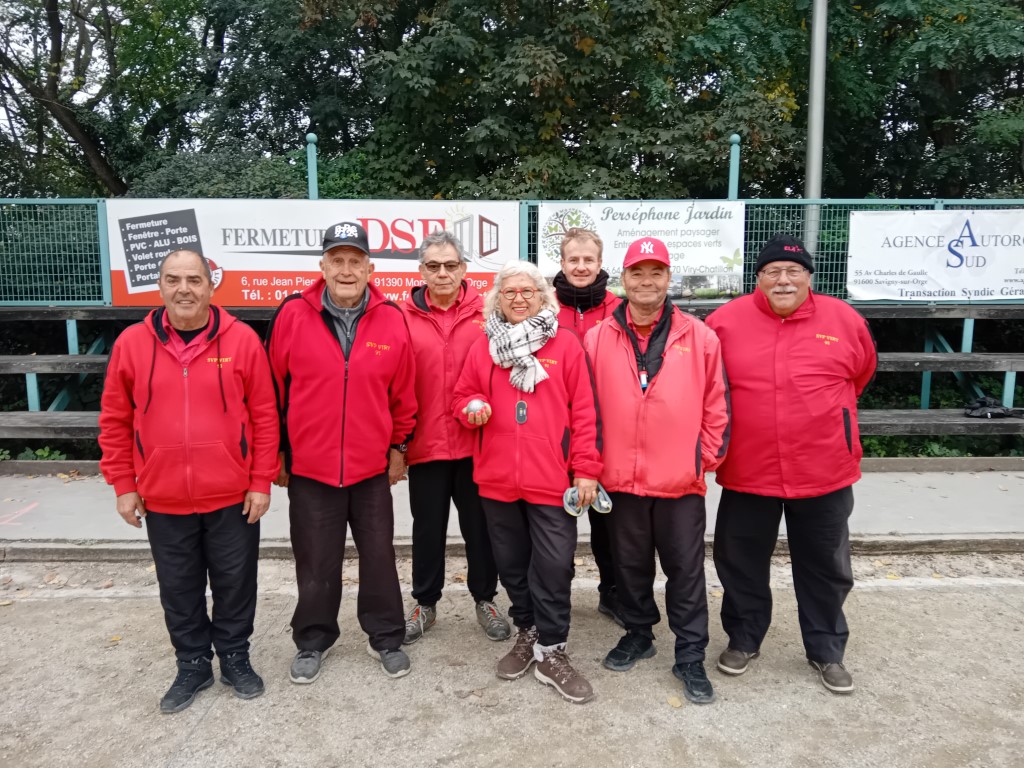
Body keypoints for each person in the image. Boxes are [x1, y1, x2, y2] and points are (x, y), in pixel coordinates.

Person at [99, 249, 279, 714]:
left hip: (233, 495)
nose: (184, 289)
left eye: (194, 280)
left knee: (235, 583)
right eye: (174, 279)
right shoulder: (131, 344)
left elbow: (264, 415)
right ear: (159, 286)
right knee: (178, 588)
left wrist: (261, 480)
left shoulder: (241, 340)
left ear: (210, 286)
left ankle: (235, 658)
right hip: (162, 496)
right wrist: (123, 483)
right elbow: (115, 419)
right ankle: (193, 664)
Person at [705, 234, 877, 694]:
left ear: (809, 277)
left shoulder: (844, 320)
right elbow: (706, 386)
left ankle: (826, 649)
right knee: (739, 560)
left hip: (824, 469)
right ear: (758, 278)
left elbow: (861, 373)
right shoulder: (725, 322)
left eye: (793, 271)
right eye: (772, 272)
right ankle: (743, 639)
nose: (783, 279)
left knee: (825, 564)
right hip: (748, 468)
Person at [266, 221, 417, 682]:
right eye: (338, 260)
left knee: (379, 556)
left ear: (370, 268)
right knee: (315, 559)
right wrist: (277, 453)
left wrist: (398, 448)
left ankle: (386, 636)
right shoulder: (292, 314)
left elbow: (404, 394)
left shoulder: (392, 319)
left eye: (356, 261)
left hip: (371, 468)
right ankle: (312, 639)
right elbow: (271, 391)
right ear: (322, 266)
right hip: (310, 468)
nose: (346, 269)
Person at [584, 236, 730, 705]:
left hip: (679, 481)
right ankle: (639, 633)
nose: (647, 281)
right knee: (629, 566)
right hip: (619, 479)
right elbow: (584, 408)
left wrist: (699, 460)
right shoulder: (597, 336)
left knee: (685, 571)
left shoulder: (700, 336)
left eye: (656, 273)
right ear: (622, 279)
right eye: (637, 273)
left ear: (669, 278)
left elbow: (717, 407)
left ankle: (689, 653)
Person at [453, 261, 602, 704]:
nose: (519, 298)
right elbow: (461, 396)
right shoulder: (483, 347)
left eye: (528, 291)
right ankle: (529, 632)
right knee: (513, 564)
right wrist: (472, 406)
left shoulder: (566, 345)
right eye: (510, 291)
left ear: (543, 296)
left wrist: (587, 468)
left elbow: (586, 411)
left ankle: (553, 650)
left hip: (552, 478)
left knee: (554, 565)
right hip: (497, 478)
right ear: (498, 298)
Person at [401, 230, 510, 644]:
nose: (442, 273)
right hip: (426, 445)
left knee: (481, 529)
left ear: (464, 268)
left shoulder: (489, 312)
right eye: (433, 266)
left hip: (477, 446)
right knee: (427, 529)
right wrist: (399, 444)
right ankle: (425, 604)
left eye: (450, 265)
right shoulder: (403, 316)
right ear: (421, 271)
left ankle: (485, 598)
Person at [552, 227, 623, 626]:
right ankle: (553, 596)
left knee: (609, 526)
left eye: (588, 260)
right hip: (556, 435)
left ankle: (612, 593)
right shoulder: (543, 309)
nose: (581, 267)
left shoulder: (619, 309)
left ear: (600, 263)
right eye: (573, 260)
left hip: (609, 435)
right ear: (562, 264)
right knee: (555, 528)